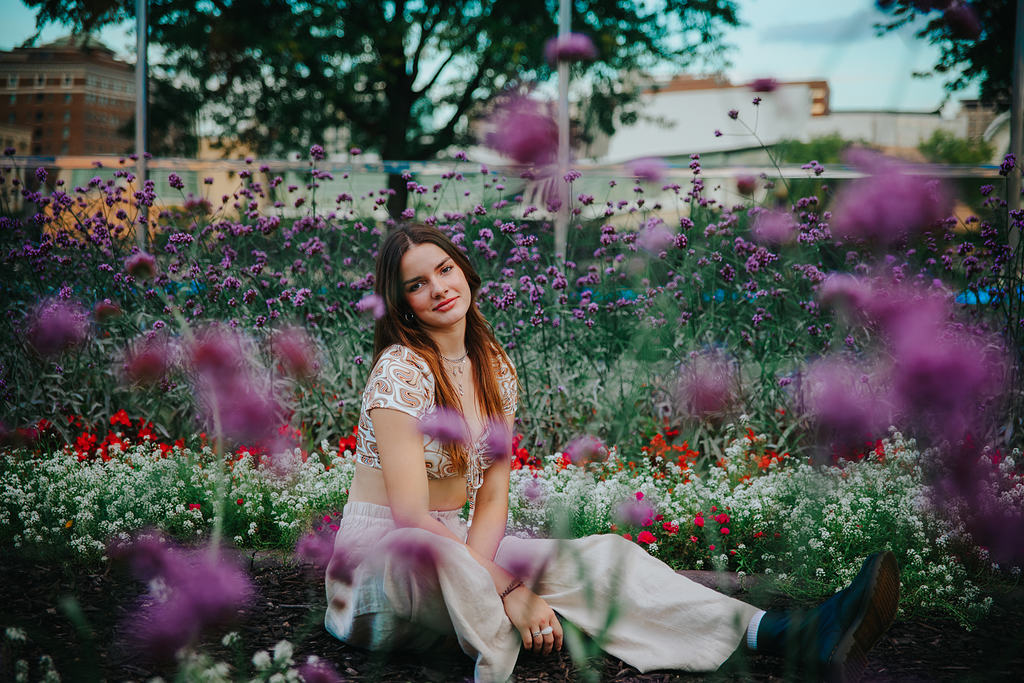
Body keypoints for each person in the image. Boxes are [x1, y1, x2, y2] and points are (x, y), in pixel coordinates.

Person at [324, 224, 900, 682]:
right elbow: (411, 519)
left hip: (459, 550)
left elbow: (492, 497)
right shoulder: (400, 370)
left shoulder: (495, 368)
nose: (439, 288)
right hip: (384, 567)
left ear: (465, 271)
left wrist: (497, 576)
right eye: (417, 284)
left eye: (444, 269)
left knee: (602, 558)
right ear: (401, 306)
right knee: (449, 560)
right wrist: (504, 586)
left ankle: (783, 635)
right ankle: (501, 639)